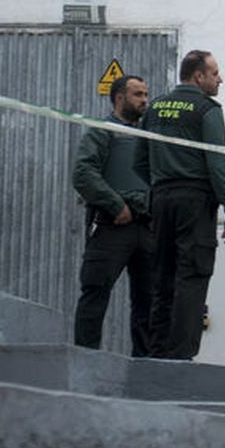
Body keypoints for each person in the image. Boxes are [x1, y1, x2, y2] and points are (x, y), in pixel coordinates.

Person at [135, 50, 225, 360]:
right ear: (199, 76)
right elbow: (217, 164)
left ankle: (156, 354)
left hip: (161, 200)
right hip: (195, 201)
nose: (220, 79)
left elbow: (138, 161)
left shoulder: (154, 108)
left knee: (163, 277)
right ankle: (181, 357)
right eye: (215, 73)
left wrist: (160, 185)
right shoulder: (207, 109)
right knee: (191, 277)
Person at [71, 75, 155, 355]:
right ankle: (85, 360)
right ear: (120, 98)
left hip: (148, 227)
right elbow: (83, 173)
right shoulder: (102, 130)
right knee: (95, 295)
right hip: (112, 225)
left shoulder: (149, 134)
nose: (145, 100)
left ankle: (145, 372)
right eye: (138, 94)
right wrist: (115, 204)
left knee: (149, 302)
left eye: (146, 94)